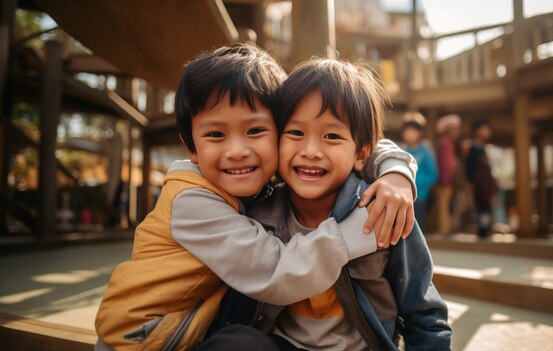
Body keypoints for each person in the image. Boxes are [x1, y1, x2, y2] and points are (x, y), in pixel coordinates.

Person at [94, 45, 419, 351]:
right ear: (191, 148)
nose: (237, 151)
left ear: (278, 135)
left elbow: (347, 137)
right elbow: (277, 271)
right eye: (216, 135)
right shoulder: (192, 202)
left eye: (255, 131)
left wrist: (396, 172)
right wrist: (360, 228)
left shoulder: (255, 181)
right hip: (140, 339)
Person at [203, 59, 451, 351]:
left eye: (331, 136)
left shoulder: (383, 208)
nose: (310, 151)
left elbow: (424, 313)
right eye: (295, 133)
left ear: (361, 154)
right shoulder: (257, 213)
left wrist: (397, 172)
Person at [401, 112, 439, 231]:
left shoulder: (425, 151)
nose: (409, 134)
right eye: (407, 130)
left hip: (420, 196)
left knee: (418, 227)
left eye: (413, 131)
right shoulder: (402, 151)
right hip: (404, 196)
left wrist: (416, 182)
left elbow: (433, 174)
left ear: (420, 133)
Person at [465, 118, 498, 238]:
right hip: (479, 185)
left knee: (486, 208)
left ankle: (484, 231)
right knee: (482, 209)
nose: (487, 132)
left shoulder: (482, 148)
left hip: (485, 185)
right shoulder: (473, 148)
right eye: (485, 129)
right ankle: (482, 232)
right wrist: (472, 182)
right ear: (477, 131)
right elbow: (470, 167)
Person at [435, 114, 461, 235]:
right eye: (454, 129)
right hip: (445, 181)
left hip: (447, 181)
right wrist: (447, 180)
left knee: (445, 205)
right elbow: (446, 165)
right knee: (443, 206)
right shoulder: (445, 143)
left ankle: (447, 228)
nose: (457, 132)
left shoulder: (447, 143)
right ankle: (445, 229)